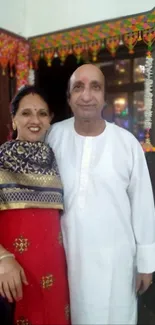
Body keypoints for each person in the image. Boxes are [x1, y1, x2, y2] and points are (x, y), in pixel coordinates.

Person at [46, 64, 155, 325]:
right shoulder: (53, 137)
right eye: (78, 87)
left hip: (116, 264)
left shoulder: (126, 143)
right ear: (69, 97)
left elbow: (142, 204)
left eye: (95, 87)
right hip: (67, 259)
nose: (86, 95)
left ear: (104, 97)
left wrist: (146, 263)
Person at [0, 85, 70, 325]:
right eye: (26, 113)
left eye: (42, 113)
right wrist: (2, 260)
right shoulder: (0, 160)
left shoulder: (56, 160)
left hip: (55, 271)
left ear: (50, 120)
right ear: (14, 119)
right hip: (12, 275)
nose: (35, 120)